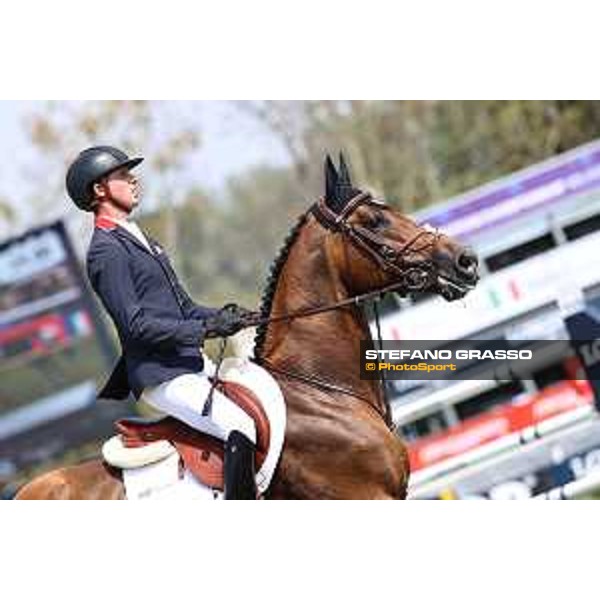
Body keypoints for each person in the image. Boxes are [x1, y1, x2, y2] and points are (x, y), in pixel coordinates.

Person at [66, 146, 258, 499]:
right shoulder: (106, 251)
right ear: (100, 190)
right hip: (161, 374)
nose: (133, 180)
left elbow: (183, 307)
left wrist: (229, 317)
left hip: (188, 363)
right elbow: (135, 326)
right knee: (240, 425)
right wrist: (206, 329)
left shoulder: (141, 238)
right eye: (123, 175)